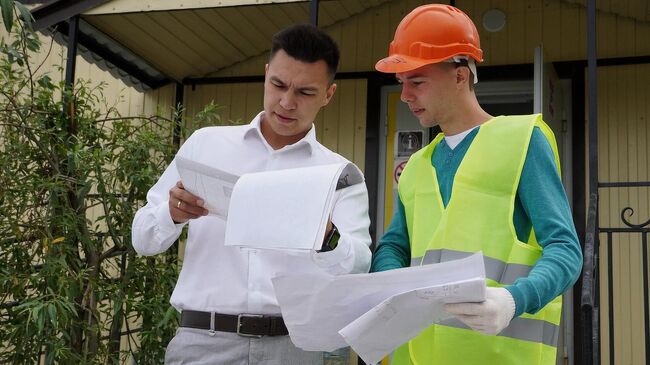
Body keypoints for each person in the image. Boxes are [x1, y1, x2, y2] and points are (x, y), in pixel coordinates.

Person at [132, 24, 372, 364]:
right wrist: (170, 213)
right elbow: (143, 239)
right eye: (278, 85)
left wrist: (328, 237)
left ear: (328, 95)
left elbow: (358, 266)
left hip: (294, 348)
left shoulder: (340, 175)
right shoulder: (205, 145)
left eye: (305, 92)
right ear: (265, 76)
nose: (287, 103)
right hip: (203, 342)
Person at [370, 4, 582, 365]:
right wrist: (393, 285)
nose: (405, 95)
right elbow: (393, 246)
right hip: (414, 356)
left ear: (460, 76)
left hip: (499, 356)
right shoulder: (418, 166)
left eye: (417, 81)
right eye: (401, 83)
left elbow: (565, 249)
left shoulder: (522, 141)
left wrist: (515, 300)